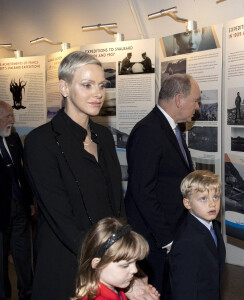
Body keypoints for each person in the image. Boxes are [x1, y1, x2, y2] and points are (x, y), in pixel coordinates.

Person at [24, 51, 158, 300]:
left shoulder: (104, 137)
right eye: (87, 85)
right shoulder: (40, 142)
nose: (97, 93)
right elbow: (61, 219)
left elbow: (117, 209)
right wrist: (115, 267)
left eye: (101, 85)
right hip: (66, 265)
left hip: (109, 264)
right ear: (64, 87)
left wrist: (130, 270)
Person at [125, 74, 200, 297]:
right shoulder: (148, 131)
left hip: (171, 233)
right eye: (195, 100)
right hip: (154, 240)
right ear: (178, 99)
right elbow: (142, 192)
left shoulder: (171, 129)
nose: (197, 106)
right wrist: (167, 240)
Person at [169, 170, 226, 300]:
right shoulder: (187, 242)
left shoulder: (215, 226)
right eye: (203, 198)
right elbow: (183, 290)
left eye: (215, 197)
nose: (212, 204)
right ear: (187, 203)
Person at [0, 100, 34, 300]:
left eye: (12, 116)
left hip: (20, 207)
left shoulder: (13, 139)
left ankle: (28, 295)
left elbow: (21, 172)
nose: (12, 120)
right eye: (7, 116)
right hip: (1, 213)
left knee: (23, 257)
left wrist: (29, 201)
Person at [71, 217, 149, 300]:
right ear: (97, 264)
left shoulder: (116, 289)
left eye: (135, 262)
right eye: (125, 265)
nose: (135, 270)